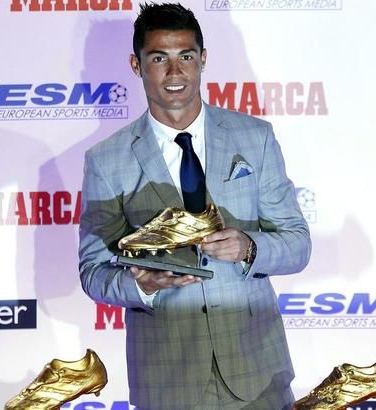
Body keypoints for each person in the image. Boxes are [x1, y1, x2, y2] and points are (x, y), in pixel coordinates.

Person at [78, 3, 311, 409]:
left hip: (257, 371)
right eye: (159, 58)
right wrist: (141, 285)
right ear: (136, 65)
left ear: (203, 60)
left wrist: (249, 247)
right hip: (168, 378)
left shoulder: (254, 137)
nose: (175, 73)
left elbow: (297, 244)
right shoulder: (106, 160)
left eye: (185, 56)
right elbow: (93, 271)